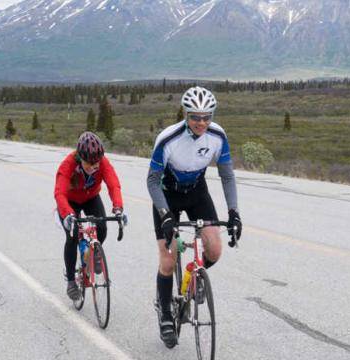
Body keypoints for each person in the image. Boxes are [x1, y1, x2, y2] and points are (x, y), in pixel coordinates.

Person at [147, 86, 242, 348]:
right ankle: (166, 313)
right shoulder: (168, 139)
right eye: (195, 117)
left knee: (214, 250)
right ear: (186, 114)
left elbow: (227, 175)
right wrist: (166, 216)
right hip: (167, 195)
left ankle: (193, 278)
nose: (201, 122)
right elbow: (152, 181)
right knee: (168, 260)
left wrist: (233, 212)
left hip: (197, 191)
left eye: (206, 116)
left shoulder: (217, 136)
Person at [54, 131, 127, 301]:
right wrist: (68, 215)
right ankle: (71, 281)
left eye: (97, 163)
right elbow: (59, 193)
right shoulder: (68, 164)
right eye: (90, 164)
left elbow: (113, 185)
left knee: (102, 228)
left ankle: (92, 254)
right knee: (72, 236)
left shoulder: (103, 162)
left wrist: (118, 208)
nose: (94, 167)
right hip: (70, 201)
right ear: (80, 158)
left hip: (91, 197)